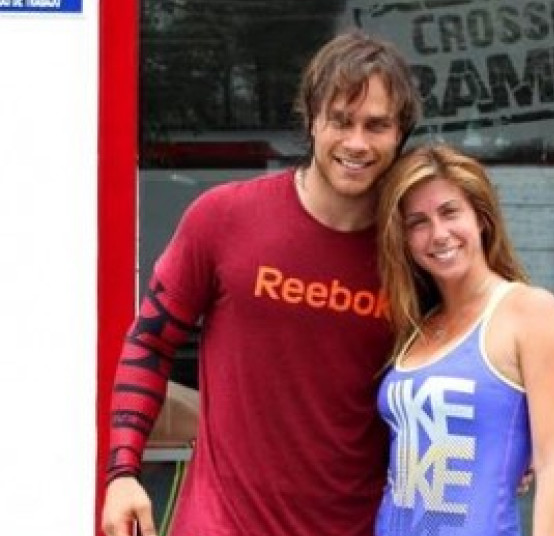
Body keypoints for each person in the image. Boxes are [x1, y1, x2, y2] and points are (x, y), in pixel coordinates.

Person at [101, 30, 421, 536]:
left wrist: (521, 440)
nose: (357, 143)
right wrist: (122, 473)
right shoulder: (224, 217)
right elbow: (149, 342)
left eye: (376, 125)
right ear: (311, 119)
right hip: (220, 525)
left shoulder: (413, 251)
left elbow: (479, 343)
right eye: (341, 120)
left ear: (400, 132)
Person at [374, 144, 554, 536]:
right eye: (418, 222)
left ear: (481, 218)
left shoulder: (530, 312)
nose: (439, 234)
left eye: (450, 212)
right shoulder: (417, 325)